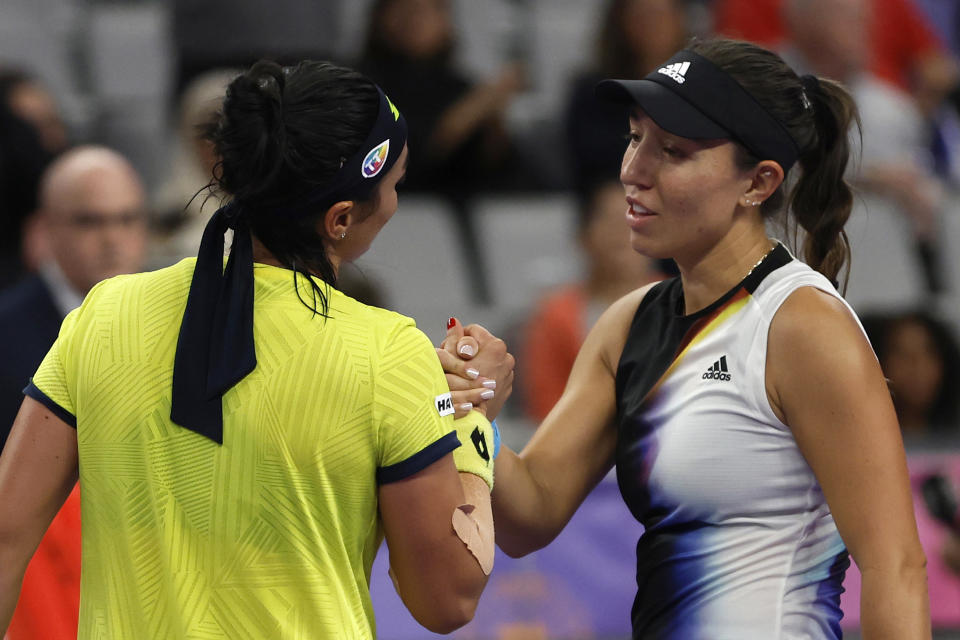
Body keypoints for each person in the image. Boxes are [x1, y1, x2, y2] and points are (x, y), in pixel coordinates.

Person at [0, 60, 511, 639]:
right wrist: (470, 419)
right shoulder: (390, 354)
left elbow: (4, 539)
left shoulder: (102, 313)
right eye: (394, 185)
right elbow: (448, 599)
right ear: (341, 218)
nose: (395, 202)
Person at [439, 38, 929, 638]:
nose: (632, 171)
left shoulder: (803, 326)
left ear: (759, 183)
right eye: (635, 136)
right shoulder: (627, 324)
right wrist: (468, 411)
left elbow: (894, 566)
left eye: (673, 151)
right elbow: (529, 516)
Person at [0, 145, 148, 640]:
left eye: (128, 219)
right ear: (43, 230)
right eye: (91, 222)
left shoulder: (178, 333)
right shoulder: (4, 335)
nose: (113, 239)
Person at [521, 178, 664, 422]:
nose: (621, 230)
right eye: (608, 219)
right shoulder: (555, 315)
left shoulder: (689, 299)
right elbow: (546, 409)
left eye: (636, 215)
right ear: (583, 236)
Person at [862, 310, 960, 440]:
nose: (917, 367)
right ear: (879, 362)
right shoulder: (864, 439)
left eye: (928, 353)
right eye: (902, 354)